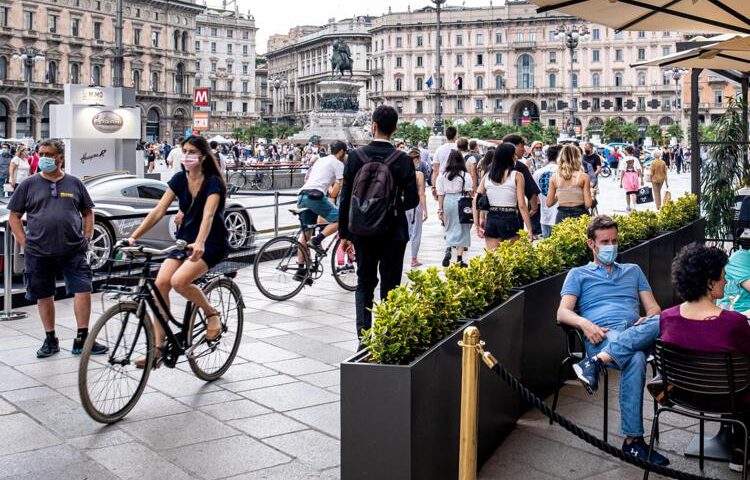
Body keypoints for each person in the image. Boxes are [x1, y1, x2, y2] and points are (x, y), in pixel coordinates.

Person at [558, 215, 669, 466]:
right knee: (638, 356)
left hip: (632, 329)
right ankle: (633, 443)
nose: (611, 246)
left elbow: (655, 310)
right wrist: (586, 324)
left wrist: (646, 318)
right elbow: (562, 312)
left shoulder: (633, 271)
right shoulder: (578, 274)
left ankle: (594, 364)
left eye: (615, 241)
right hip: (602, 335)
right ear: (591, 244)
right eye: (605, 241)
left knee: (668, 318)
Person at [126, 136, 230, 366]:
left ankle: (211, 314)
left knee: (179, 281)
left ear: (203, 156)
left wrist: (201, 242)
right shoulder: (179, 179)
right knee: (160, 283)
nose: (186, 156)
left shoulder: (213, 182)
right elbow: (158, 210)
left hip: (210, 241)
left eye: (192, 151)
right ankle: (158, 347)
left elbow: (209, 215)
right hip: (184, 241)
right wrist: (133, 237)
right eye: (184, 151)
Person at [7, 139, 107, 358]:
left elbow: (88, 211)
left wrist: (87, 236)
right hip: (39, 251)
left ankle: (82, 338)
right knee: (44, 294)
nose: (43, 157)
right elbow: (14, 217)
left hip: (73, 250)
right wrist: (24, 242)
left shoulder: (74, 183)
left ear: (60, 158)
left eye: (48, 154)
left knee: (83, 289)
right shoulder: (29, 184)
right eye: (40, 153)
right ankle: (50, 339)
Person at [661, 243, 750, 472]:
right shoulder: (733, 323)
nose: (726, 280)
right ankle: (742, 449)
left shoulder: (667, 318)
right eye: (722, 276)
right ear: (709, 283)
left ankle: (740, 447)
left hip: (683, 396)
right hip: (732, 399)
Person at [338, 105, 419, 343]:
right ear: (394, 129)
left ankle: (364, 338)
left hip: (362, 231)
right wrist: (390, 208)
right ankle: (389, 337)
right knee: (391, 283)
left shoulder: (355, 157)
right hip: (393, 231)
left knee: (364, 283)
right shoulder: (402, 160)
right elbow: (412, 199)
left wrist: (345, 233)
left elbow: (345, 198)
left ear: (373, 125)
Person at [474, 143, 534, 249]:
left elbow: (476, 199)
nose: (516, 157)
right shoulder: (517, 175)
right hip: (510, 218)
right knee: (511, 259)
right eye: (514, 155)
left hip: (492, 218)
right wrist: (529, 229)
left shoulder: (488, 176)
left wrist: (477, 224)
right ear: (509, 157)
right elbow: (522, 205)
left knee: (493, 259)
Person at [296, 140, 346, 262]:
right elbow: (340, 187)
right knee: (341, 219)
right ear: (341, 152)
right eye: (345, 152)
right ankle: (317, 240)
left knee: (306, 235)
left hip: (302, 196)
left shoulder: (320, 160)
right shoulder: (338, 164)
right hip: (314, 197)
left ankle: (301, 270)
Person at [437, 150, 472, 267]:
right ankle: (459, 258)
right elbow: (469, 191)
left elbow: (440, 194)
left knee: (448, 226)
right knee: (463, 229)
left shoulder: (442, 176)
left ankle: (448, 249)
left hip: (447, 201)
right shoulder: (465, 175)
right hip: (461, 201)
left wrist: (440, 209)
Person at [502, 134, 541, 236]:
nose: (524, 150)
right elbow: (531, 191)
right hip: (513, 215)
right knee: (512, 249)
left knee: (493, 250)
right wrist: (533, 208)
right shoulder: (520, 168)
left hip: (492, 216)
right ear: (513, 147)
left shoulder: (491, 167)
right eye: (522, 146)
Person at [547, 144, 593, 223]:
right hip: (580, 215)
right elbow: (588, 204)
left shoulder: (554, 178)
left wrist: (561, 194)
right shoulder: (584, 177)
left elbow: (549, 203)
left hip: (562, 216)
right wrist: (592, 194)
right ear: (578, 158)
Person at [533, 144, 561, 238]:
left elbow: (534, 196)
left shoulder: (537, 173)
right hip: (560, 216)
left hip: (544, 216)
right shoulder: (564, 172)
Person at [406, 148, 428, 267]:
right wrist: (425, 210)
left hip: (403, 206)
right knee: (416, 233)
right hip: (415, 205)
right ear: (417, 159)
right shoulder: (419, 174)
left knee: (407, 231)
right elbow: (421, 193)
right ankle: (413, 259)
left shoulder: (402, 173)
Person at [431, 125, 458, 199]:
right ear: (455, 136)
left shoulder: (439, 149)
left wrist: (433, 186)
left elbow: (435, 170)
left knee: (442, 205)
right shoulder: (459, 149)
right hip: (457, 178)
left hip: (442, 179)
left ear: (446, 136)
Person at [619, 146, 643, 212]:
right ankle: (635, 206)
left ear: (626, 151)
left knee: (628, 192)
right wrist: (641, 179)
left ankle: (628, 206)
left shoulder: (624, 160)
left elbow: (622, 171)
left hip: (626, 176)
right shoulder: (635, 159)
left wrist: (620, 182)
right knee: (634, 192)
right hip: (634, 175)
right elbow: (639, 169)